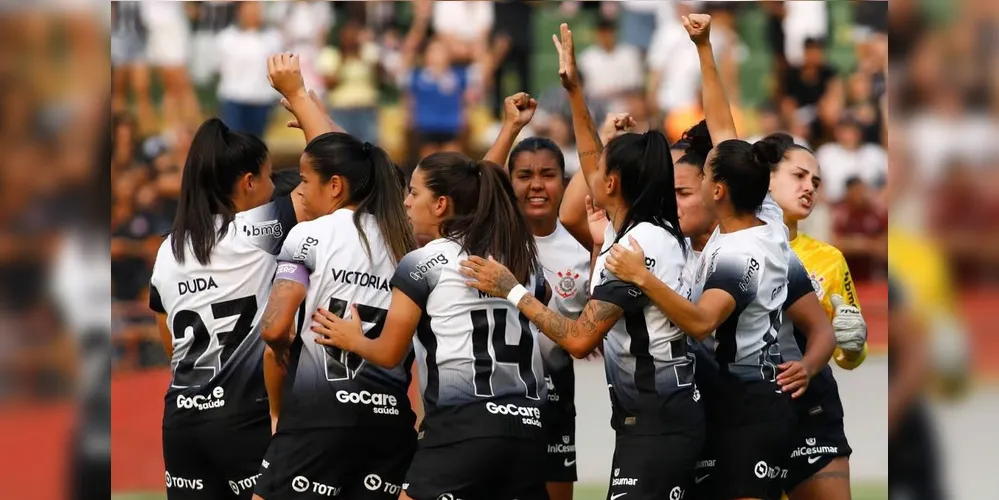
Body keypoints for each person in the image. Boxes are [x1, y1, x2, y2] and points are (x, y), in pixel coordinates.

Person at [459, 24, 703, 500]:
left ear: (614, 185)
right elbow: (591, 155)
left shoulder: (634, 248)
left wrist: (512, 289)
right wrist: (574, 90)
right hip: (655, 417)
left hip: (658, 417)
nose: (592, 174)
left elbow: (578, 339)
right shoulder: (633, 228)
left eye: (603, 173)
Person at [603, 15, 793, 500]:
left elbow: (702, 323)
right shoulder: (763, 213)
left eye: (704, 173)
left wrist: (642, 279)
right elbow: (725, 126)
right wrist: (704, 46)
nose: (694, 178)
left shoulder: (740, 253)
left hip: (746, 404)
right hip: (730, 398)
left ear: (719, 190)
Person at [310, 152, 549, 500]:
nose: (405, 202)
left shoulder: (423, 262)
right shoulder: (520, 261)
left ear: (440, 205)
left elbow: (390, 352)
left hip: (464, 425)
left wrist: (352, 338)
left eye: (414, 192)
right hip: (529, 428)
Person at [243, 53, 418, 500]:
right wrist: (304, 102)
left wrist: (281, 379)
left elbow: (276, 328)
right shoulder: (409, 244)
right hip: (389, 420)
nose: (302, 190)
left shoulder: (309, 235)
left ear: (336, 187)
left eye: (306, 180)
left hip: (319, 414)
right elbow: (350, 159)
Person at [148, 116, 306, 499]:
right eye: (269, 177)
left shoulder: (168, 249)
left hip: (182, 420)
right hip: (243, 417)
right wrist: (300, 100)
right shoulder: (259, 231)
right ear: (248, 182)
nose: (274, 189)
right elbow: (335, 177)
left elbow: (168, 339)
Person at [508, 136, 590, 500]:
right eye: (524, 175)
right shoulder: (491, 241)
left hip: (555, 401)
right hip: (495, 401)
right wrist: (510, 127)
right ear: (507, 183)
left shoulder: (585, 249)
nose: (536, 184)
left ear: (564, 182)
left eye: (548, 174)